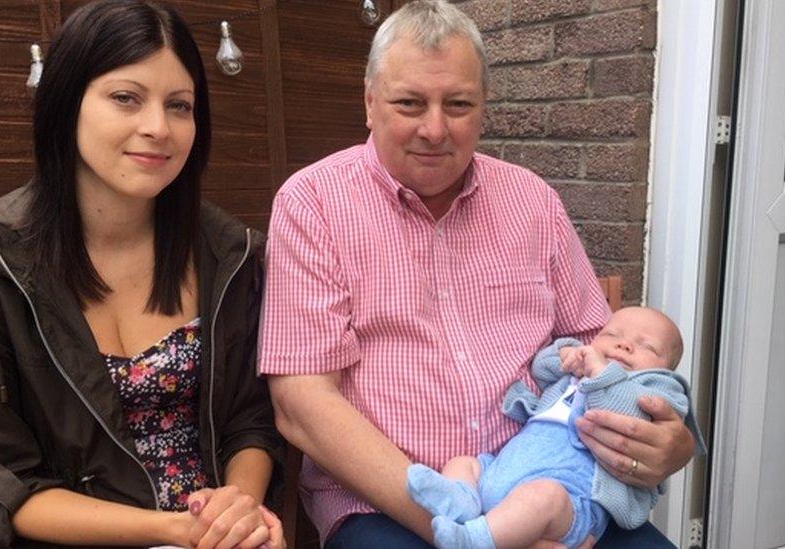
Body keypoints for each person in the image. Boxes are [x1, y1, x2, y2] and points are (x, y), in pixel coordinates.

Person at [259, 1, 697, 547]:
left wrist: (666, 447)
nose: (435, 128)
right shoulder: (314, 204)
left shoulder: (532, 201)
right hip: (387, 505)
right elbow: (303, 404)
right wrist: (468, 534)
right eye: (410, 103)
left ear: (484, 107)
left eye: (459, 104)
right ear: (370, 103)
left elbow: (597, 348)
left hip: (546, 487)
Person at [0, 1, 283, 547]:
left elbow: (250, 420)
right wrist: (172, 531)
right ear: (67, 104)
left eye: (179, 105)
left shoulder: (229, 254)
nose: (158, 128)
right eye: (125, 98)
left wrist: (238, 510)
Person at [407, 307, 706, 548]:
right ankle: (462, 500)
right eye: (612, 333)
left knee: (543, 497)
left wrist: (601, 371)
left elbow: (628, 412)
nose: (623, 343)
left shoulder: (657, 386)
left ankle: (474, 540)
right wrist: (567, 354)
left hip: (568, 499)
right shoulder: (579, 370)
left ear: (666, 369)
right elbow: (542, 367)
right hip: (504, 469)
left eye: (646, 346)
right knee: (464, 463)